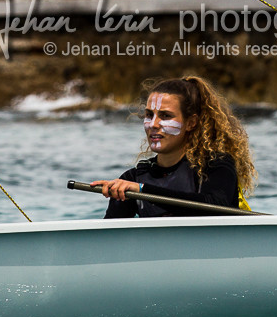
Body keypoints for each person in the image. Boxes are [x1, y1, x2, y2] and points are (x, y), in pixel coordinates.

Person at [91, 76, 257, 217]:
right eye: (149, 115)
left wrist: (143, 191)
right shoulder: (132, 180)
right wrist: (120, 196)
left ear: (191, 123)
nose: (153, 124)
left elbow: (216, 206)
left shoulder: (216, 164)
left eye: (165, 116)